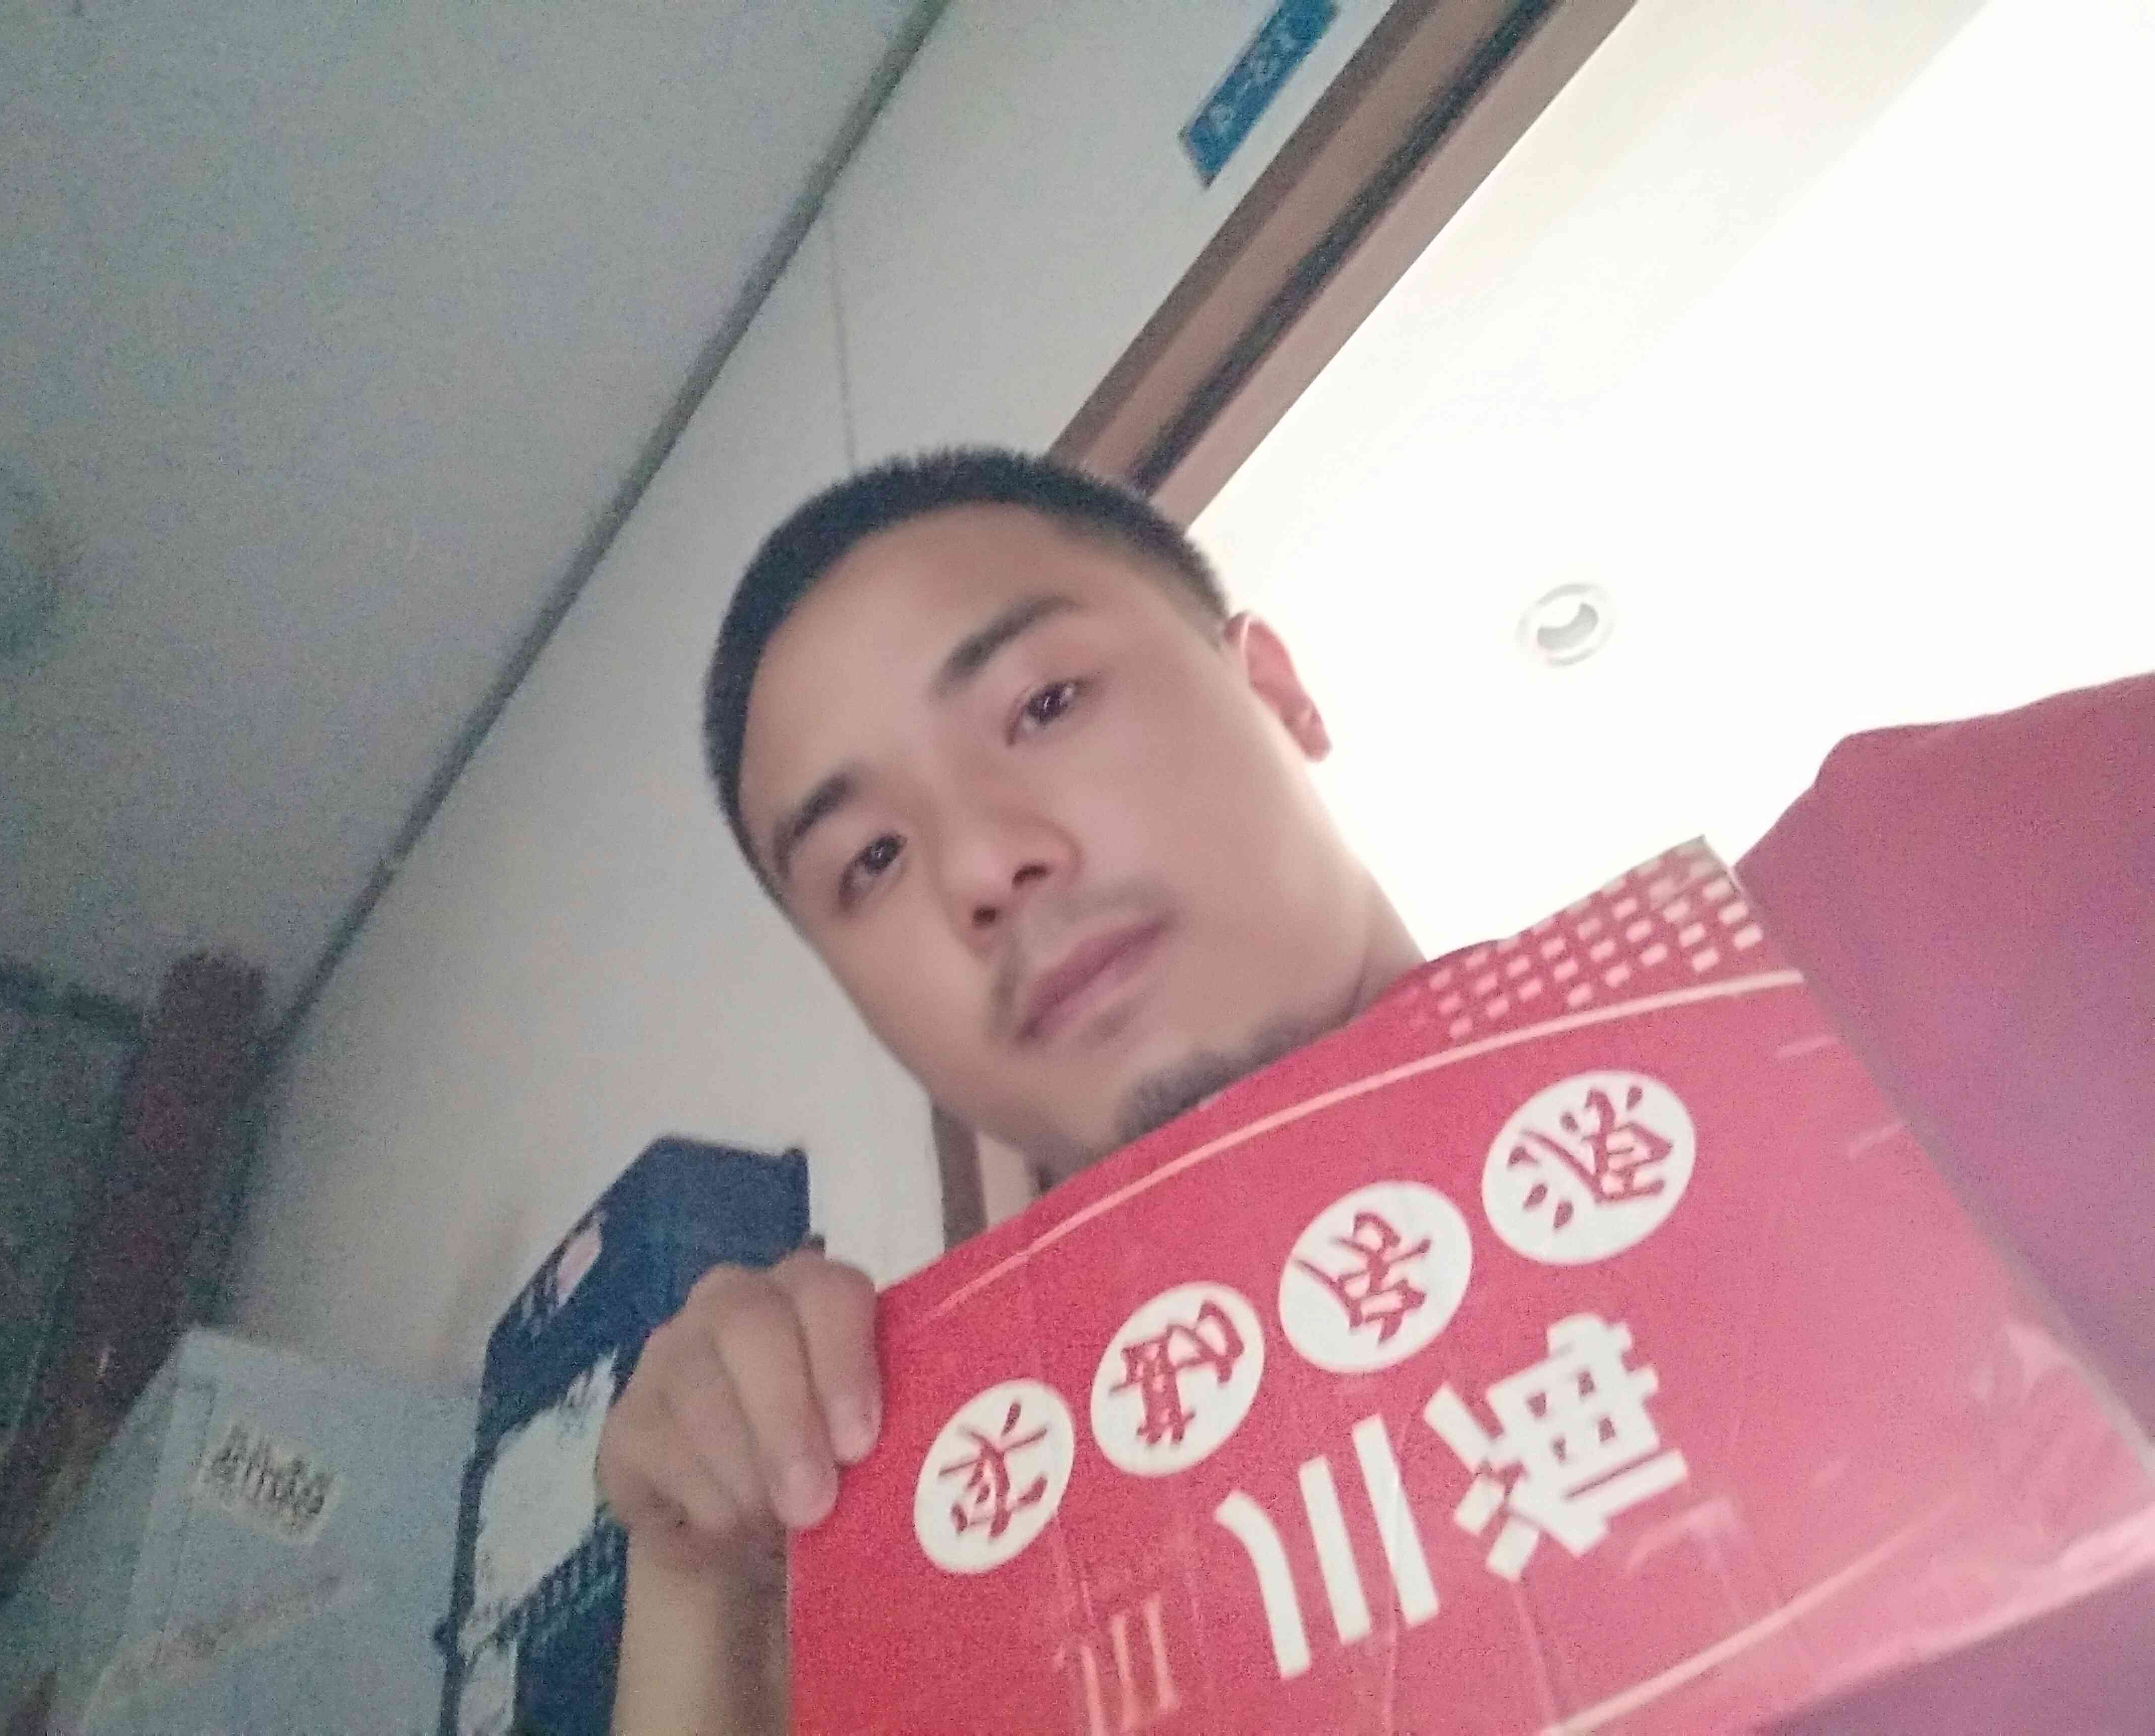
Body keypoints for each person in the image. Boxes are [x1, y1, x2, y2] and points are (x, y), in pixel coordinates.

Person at [594, 448, 2155, 1734]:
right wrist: (701, 1594)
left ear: (1277, 692)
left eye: (1044, 705)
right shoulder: (942, 1551)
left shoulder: (1904, 910)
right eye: (869, 859)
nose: (984, 865)